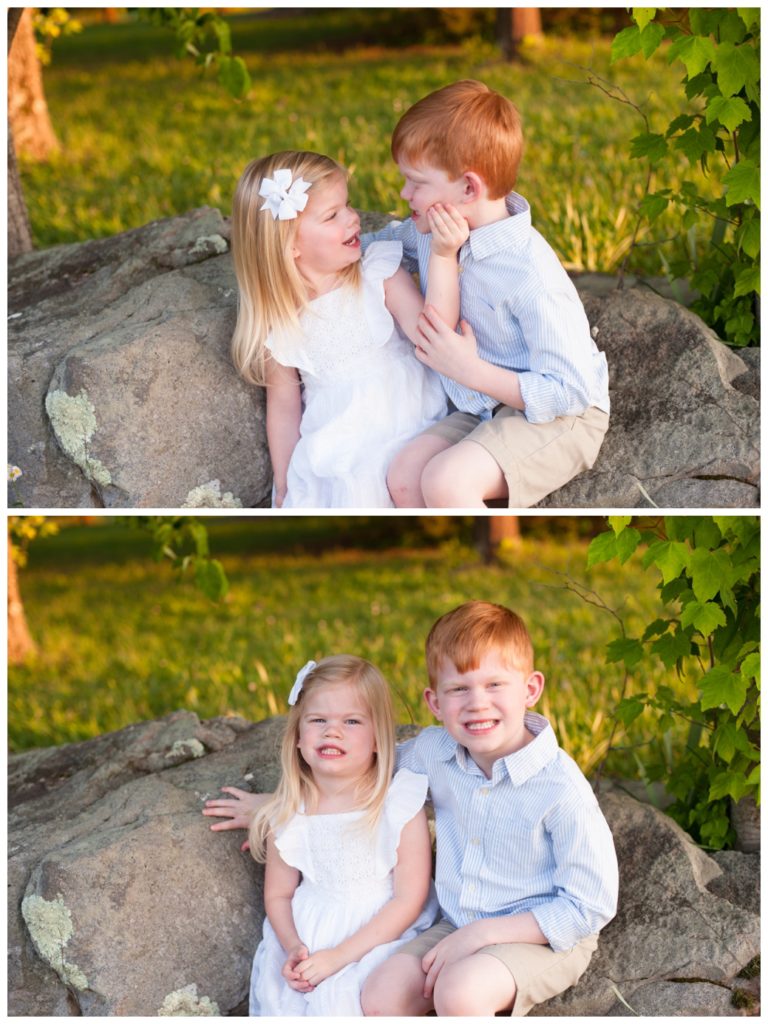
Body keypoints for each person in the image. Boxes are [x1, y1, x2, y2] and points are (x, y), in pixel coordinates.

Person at [205, 603, 618, 1017]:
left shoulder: (560, 789)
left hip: (540, 935)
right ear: (434, 702)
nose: (477, 703)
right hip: (456, 921)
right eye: (458, 689)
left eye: (495, 685)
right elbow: (359, 769)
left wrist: (480, 935)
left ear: (530, 689)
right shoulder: (435, 752)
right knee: (380, 994)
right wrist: (277, 807)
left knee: (460, 994)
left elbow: (589, 907)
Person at [362, 80, 611, 509]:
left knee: (445, 482)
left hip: (561, 415)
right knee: (403, 476)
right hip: (484, 405)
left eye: (415, 182)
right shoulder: (430, 232)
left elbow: (570, 390)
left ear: (468, 189)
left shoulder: (528, 271)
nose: (404, 195)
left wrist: (468, 369)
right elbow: (380, 245)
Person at [230, 149, 471, 508]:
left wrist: (443, 254)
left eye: (348, 205)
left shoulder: (377, 272)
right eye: (332, 215)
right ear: (289, 245)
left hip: (408, 423)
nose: (352, 218)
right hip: (337, 447)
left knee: (405, 482)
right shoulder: (281, 323)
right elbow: (283, 407)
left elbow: (432, 330)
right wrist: (283, 483)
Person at [243, 655, 438, 1016]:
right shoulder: (288, 813)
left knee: (349, 1003)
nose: (333, 731)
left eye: (351, 721)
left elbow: (408, 900)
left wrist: (338, 958)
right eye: (318, 720)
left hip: (379, 937)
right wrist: (292, 948)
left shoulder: (397, 802)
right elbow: (279, 894)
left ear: (379, 738)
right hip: (309, 935)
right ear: (298, 737)